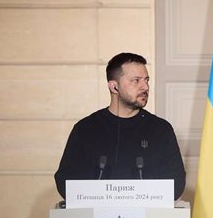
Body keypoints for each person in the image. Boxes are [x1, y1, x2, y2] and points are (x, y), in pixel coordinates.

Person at [55, 52, 186, 199]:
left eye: (146, 80)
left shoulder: (161, 130)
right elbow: (66, 181)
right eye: (136, 81)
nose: (145, 87)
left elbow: (176, 183)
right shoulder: (86, 129)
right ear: (114, 87)